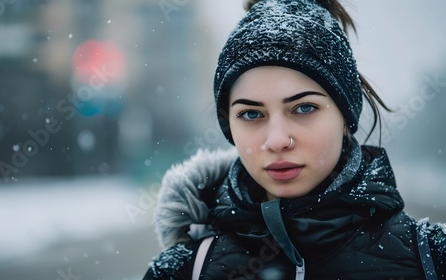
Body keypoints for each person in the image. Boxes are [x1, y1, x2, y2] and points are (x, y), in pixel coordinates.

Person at [143, 0, 446, 279]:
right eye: (251, 114)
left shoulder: (433, 258)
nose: (276, 140)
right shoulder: (181, 270)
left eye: (304, 108)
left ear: (345, 118)